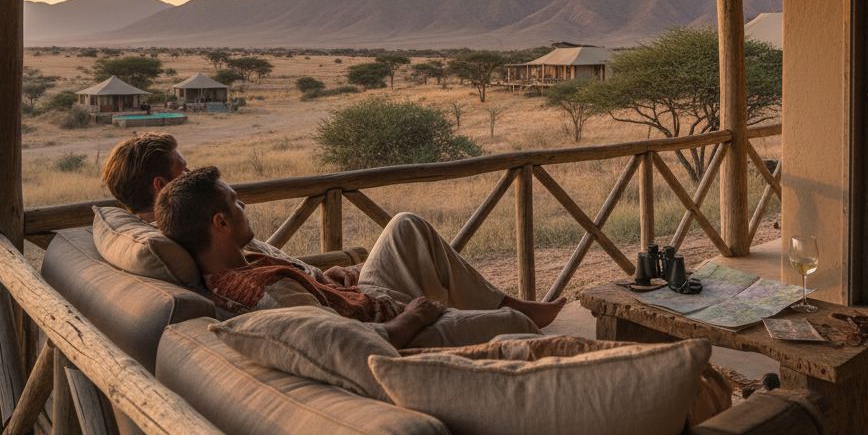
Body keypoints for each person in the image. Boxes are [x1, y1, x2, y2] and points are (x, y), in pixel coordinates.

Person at [155, 166, 567, 348]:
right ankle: (513, 317)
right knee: (515, 325)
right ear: (220, 223)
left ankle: (504, 301)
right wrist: (415, 317)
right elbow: (349, 345)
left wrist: (324, 280)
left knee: (406, 226)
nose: (244, 206)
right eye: (236, 203)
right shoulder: (265, 293)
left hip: (363, 301)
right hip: (397, 330)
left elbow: (315, 305)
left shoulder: (240, 266)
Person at [100, 132, 188, 223]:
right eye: (183, 170)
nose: (189, 173)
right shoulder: (184, 228)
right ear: (161, 185)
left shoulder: (133, 226)